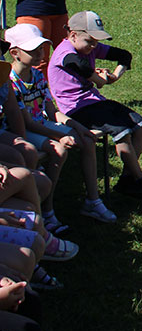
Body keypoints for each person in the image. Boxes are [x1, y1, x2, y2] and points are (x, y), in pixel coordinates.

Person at [6, 23, 117, 227]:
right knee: (59, 150)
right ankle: (47, 209)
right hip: (26, 130)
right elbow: (27, 123)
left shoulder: (38, 75)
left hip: (42, 125)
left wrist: (77, 127)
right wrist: (59, 135)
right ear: (15, 53)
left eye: (42, 48)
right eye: (34, 50)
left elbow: (52, 111)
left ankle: (93, 201)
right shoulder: (11, 81)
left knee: (87, 139)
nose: (41, 54)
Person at [48, 10, 142, 202]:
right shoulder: (65, 52)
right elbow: (80, 66)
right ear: (73, 35)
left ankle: (127, 178)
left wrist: (114, 77)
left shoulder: (89, 47)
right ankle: (141, 180)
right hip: (76, 109)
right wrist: (99, 80)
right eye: (90, 41)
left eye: (96, 41)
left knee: (141, 125)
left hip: (95, 102)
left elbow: (124, 55)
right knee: (122, 133)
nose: (94, 46)